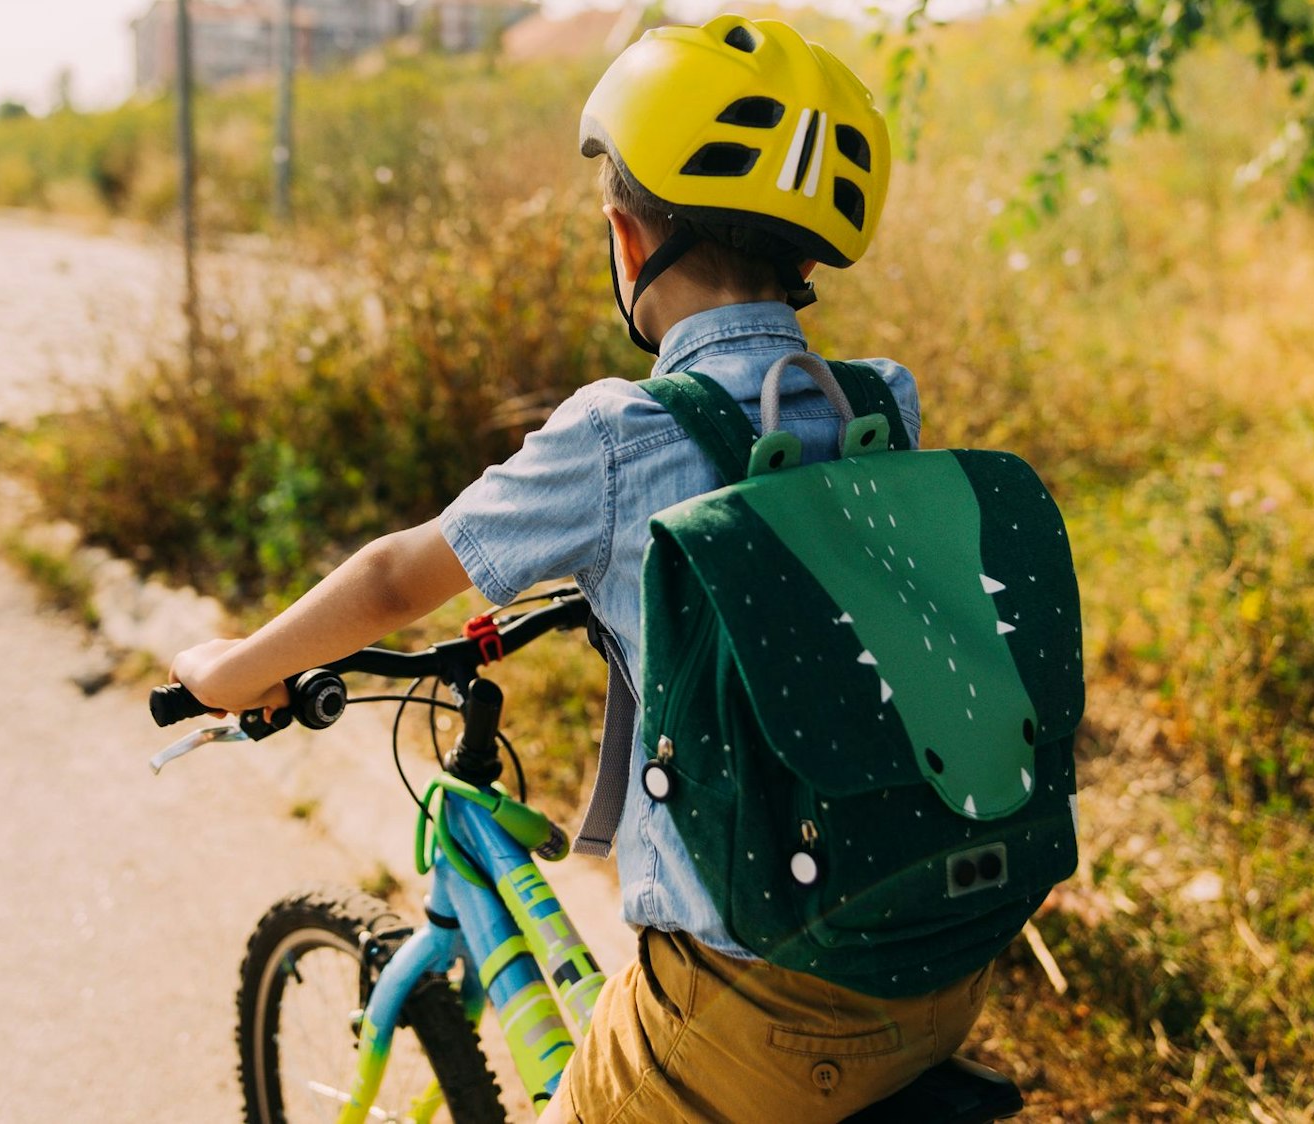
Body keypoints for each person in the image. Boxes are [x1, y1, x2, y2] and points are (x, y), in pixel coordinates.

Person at [171, 15, 991, 1122]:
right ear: (808, 259)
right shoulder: (884, 398)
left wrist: (235, 664)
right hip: (938, 952)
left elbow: (394, 582)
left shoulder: (622, 434)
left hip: (752, 1005)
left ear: (625, 236)